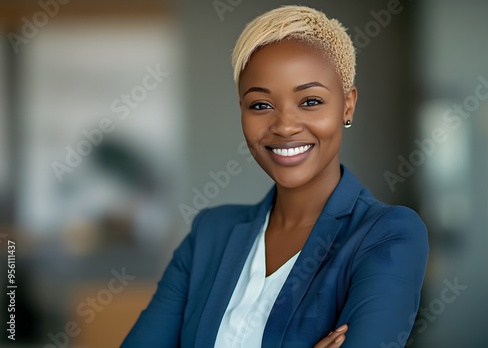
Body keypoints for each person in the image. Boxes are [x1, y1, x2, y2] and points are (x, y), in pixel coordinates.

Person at [121, 5, 429, 348]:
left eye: (310, 101)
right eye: (260, 105)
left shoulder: (387, 234)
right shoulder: (210, 234)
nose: (284, 126)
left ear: (347, 105)